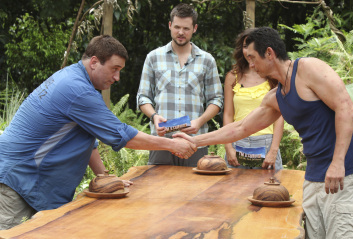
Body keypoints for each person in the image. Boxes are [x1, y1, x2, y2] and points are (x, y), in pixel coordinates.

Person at [174, 27, 353, 238]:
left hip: (344, 174)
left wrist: (338, 162)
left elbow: (346, 107)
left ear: (269, 53)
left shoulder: (307, 68)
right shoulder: (276, 97)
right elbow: (240, 128)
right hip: (313, 177)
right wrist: (194, 140)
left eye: (252, 58)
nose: (250, 65)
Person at [0, 35, 196, 230]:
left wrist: (105, 178)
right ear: (94, 62)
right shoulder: (77, 90)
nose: (117, 78)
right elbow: (122, 134)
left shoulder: (75, 79)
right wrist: (172, 144)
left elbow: (88, 141)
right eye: (114, 69)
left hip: (32, 179)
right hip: (17, 178)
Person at [136, 3, 223, 167]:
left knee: (196, 190)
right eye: (177, 27)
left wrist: (200, 121)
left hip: (195, 142)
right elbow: (143, 97)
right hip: (161, 142)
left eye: (186, 28)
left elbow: (216, 99)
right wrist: (154, 117)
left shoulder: (207, 60)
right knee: (158, 190)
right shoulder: (153, 57)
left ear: (194, 28)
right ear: (170, 25)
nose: (181, 32)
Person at [223, 28, 284, 170]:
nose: (248, 51)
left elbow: (279, 116)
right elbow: (228, 114)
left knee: (268, 191)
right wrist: (228, 147)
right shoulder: (233, 76)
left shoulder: (273, 76)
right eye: (245, 47)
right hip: (237, 141)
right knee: (234, 190)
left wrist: (274, 150)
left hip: (266, 143)